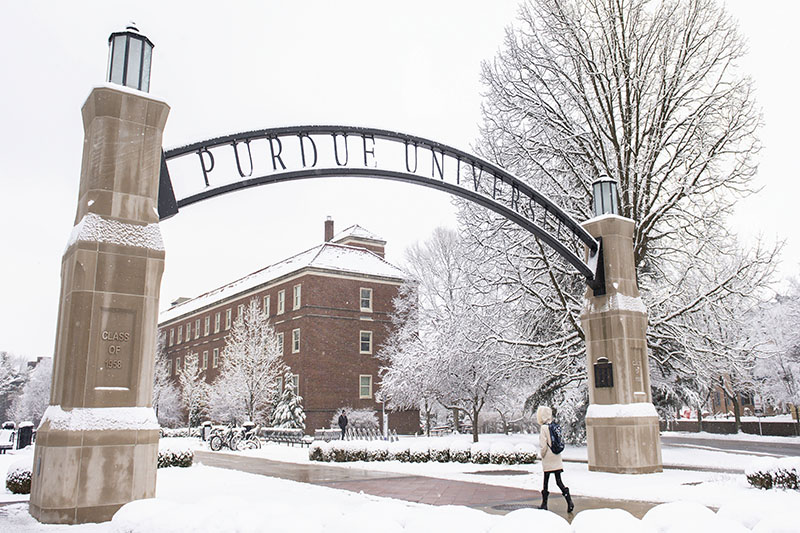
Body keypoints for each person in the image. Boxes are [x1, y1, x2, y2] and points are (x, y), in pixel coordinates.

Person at [537, 406, 574, 513]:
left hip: (548, 457)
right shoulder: (554, 426)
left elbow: (543, 445)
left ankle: (544, 504)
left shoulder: (544, 428)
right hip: (556, 456)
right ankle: (569, 500)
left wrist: (542, 455)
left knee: (546, 481)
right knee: (559, 481)